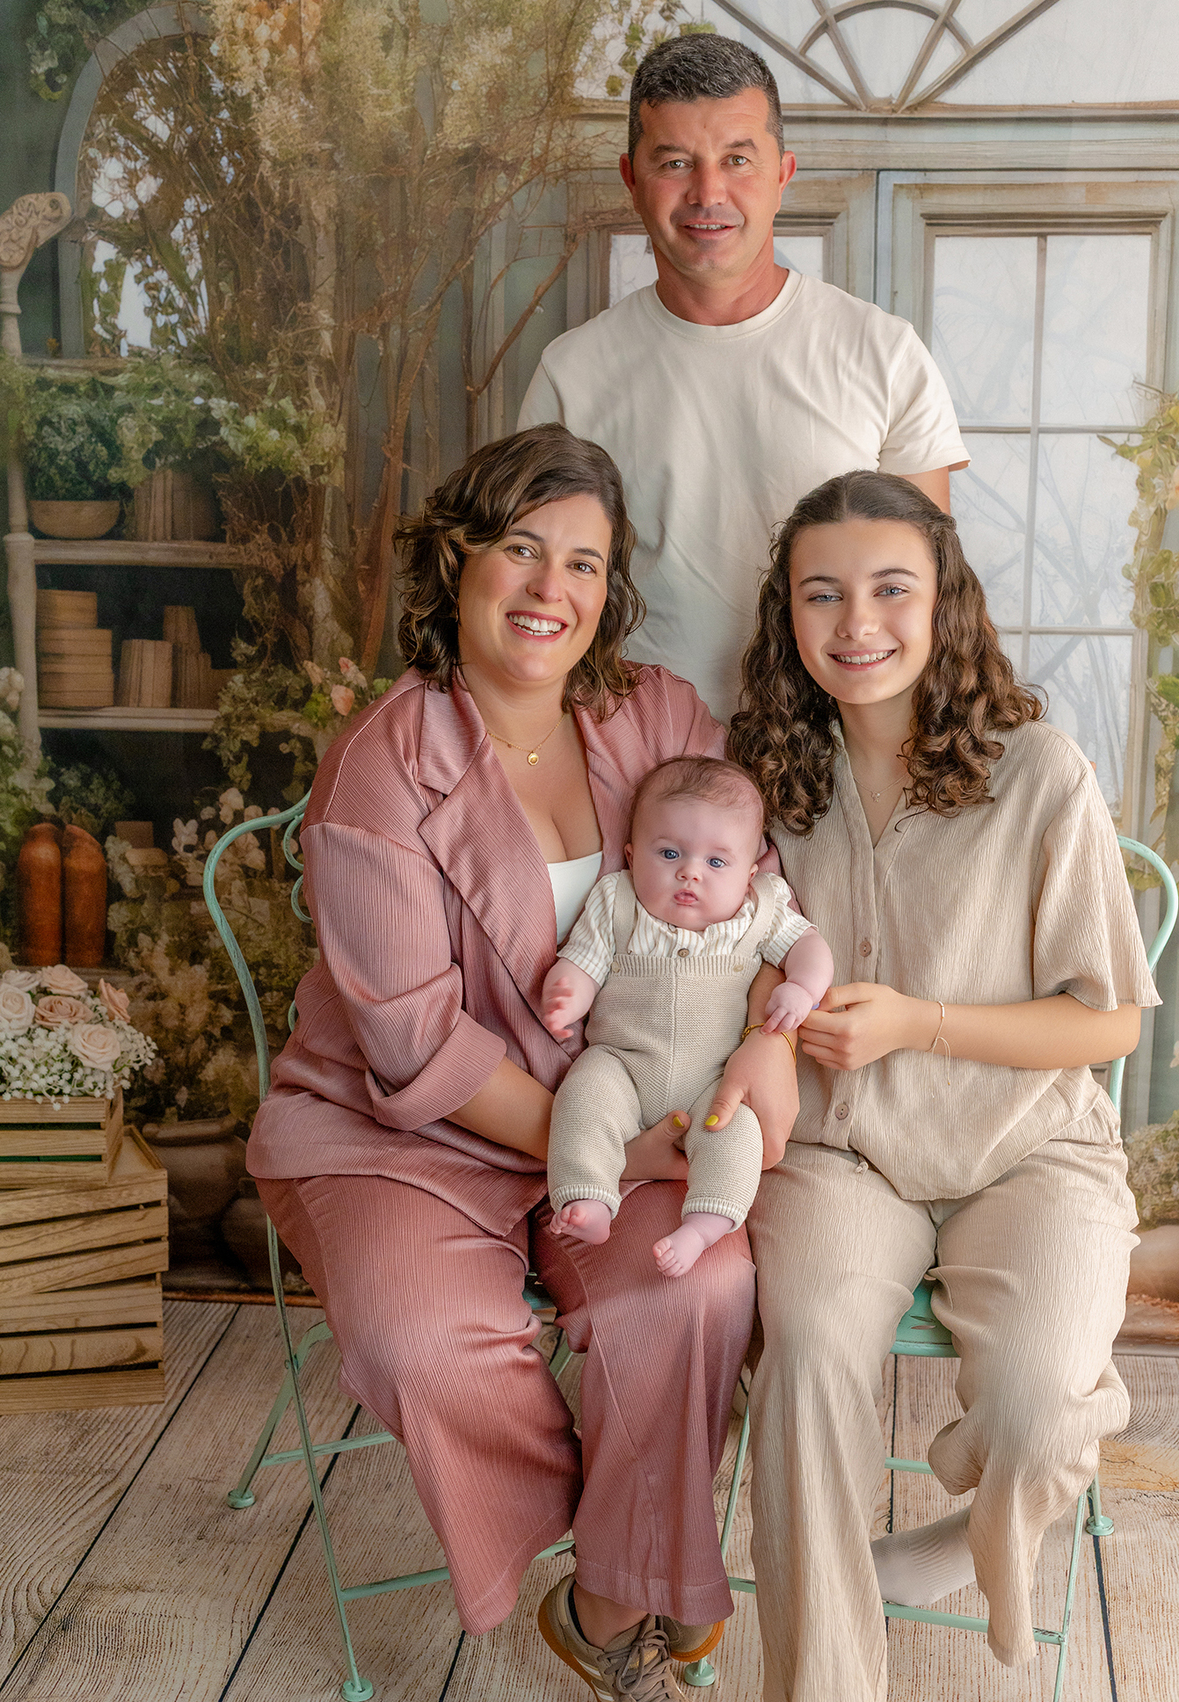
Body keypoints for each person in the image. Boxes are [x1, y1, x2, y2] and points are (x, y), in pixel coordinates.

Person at [246, 423, 785, 1702]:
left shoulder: (656, 714)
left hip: (630, 1095)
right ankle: (637, 1533)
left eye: (586, 565)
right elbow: (419, 1046)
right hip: (407, 1130)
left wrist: (764, 1045)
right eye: (522, 551)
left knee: (698, 1293)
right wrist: (614, 1145)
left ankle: (610, 1592)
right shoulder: (381, 765)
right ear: (459, 562)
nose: (554, 591)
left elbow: (760, 898)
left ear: (612, 591)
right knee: (418, 1343)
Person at [714, 469, 1159, 1701]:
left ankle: (976, 1524)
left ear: (943, 602)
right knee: (803, 1358)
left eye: (891, 588)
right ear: (786, 620)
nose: (858, 622)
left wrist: (921, 1022)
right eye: (823, 594)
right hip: (841, 1154)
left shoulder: (1040, 773)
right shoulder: (763, 784)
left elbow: (1112, 1021)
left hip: (1031, 1154)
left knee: (1033, 1415)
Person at [518, 33, 968, 724]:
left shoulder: (883, 353)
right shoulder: (572, 375)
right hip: (640, 760)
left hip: (836, 754)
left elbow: (923, 597)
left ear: (783, 174)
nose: (709, 192)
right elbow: (536, 596)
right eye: (675, 162)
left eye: (737, 159)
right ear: (631, 179)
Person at [544, 754, 832, 1275]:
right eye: (669, 852)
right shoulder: (618, 901)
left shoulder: (761, 909)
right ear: (632, 855)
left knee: (735, 1132)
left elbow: (810, 946)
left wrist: (802, 987)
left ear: (749, 874)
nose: (690, 873)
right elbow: (581, 959)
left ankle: (703, 1225)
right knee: (584, 1094)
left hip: (714, 1080)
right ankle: (588, 1198)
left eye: (716, 863)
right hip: (625, 1065)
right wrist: (568, 994)